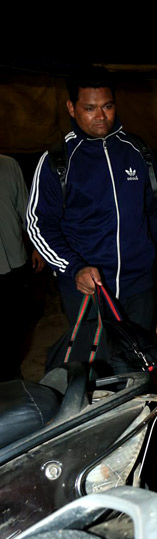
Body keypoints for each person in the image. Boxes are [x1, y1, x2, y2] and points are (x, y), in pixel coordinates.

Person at [27, 67, 157, 331]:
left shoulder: (138, 151)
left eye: (107, 106)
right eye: (90, 108)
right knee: (96, 368)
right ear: (71, 108)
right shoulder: (57, 161)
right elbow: (39, 225)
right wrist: (74, 268)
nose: (101, 116)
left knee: (139, 367)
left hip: (139, 286)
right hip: (86, 290)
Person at [0, 155, 45, 380]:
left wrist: (38, 246)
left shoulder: (9, 165)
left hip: (14, 264)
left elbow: (28, 211)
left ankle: (12, 379)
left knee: (15, 326)